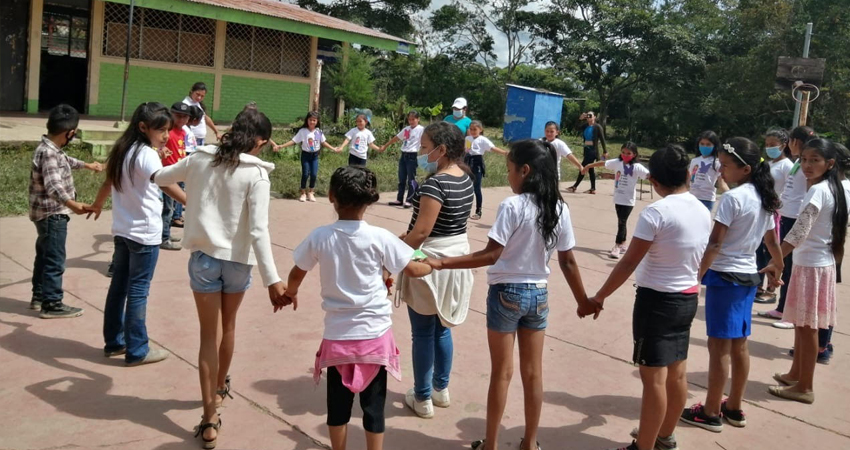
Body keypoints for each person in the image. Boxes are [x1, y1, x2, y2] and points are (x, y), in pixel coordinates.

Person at [427, 139, 590, 450]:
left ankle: (491, 445)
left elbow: (491, 255)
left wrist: (440, 262)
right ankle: (529, 443)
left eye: (510, 170)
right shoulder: (558, 208)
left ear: (525, 171)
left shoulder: (512, 206)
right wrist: (583, 300)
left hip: (506, 294)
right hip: (539, 296)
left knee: (501, 373)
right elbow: (567, 260)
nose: (510, 176)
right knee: (533, 374)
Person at [153, 107, 286, 449]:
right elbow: (258, 231)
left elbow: (159, 177)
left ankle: (209, 417)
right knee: (228, 327)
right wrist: (273, 280)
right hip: (238, 261)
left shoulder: (199, 158)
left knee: (206, 336)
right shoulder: (256, 174)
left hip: (204, 260)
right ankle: (220, 388)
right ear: (258, 141)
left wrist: (191, 200)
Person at [278, 166, 432, 450]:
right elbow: (411, 269)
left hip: (338, 337)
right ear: (370, 200)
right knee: (374, 407)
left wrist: (290, 293)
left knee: (337, 407)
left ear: (330, 196)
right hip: (375, 336)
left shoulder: (320, 236)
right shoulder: (381, 237)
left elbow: (297, 273)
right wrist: (434, 265)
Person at [588, 144, 712, 450]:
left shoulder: (656, 212)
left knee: (653, 380)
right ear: (687, 174)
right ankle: (664, 436)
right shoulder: (701, 207)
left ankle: (644, 446)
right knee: (677, 372)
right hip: (687, 298)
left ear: (653, 181)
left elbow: (628, 261)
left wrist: (599, 296)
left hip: (657, 302)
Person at [679, 138, 783, 433]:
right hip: (748, 277)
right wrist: (778, 266)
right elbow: (772, 241)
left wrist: (695, 276)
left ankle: (711, 411)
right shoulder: (764, 197)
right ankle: (734, 406)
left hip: (725, 278)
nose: (721, 170)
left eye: (725, 165)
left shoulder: (733, 200)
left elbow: (715, 242)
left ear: (746, 168)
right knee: (739, 344)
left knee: (719, 348)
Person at [87, 102, 186, 366]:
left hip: (123, 230)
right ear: (143, 127)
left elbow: (110, 182)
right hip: (144, 233)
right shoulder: (146, 154)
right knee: (138, 290)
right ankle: (137, 349)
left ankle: (114, 342)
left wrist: (98, 204)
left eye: (168, 130)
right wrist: (190, 201)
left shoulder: (123, 149)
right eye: (160, 130)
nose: (166, 135)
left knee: (119, 287)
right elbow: (164, 182)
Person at [398, 122, 474, 419]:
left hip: (430, 262)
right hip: (455, 259)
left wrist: (395, 250)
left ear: (442, 150)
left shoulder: (435, 184)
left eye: (426, 146)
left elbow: (421, 233)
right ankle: (440, 390)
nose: (421, 151)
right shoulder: (465, 177)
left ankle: (422, 397)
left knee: (423, 332)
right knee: (442, 328)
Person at [765, 138, 847, 404]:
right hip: (816, 263)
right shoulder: (836, 188)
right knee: (802, 324)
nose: (808, 165)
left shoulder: (819, 191)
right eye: (805, 159)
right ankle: (795, 374)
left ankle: (805, 387)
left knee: (808, 327)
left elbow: (799, 231)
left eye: (815, 160)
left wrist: (776, 259)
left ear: (830, 163)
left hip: (812, 264)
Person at [28, 104, 102, 317]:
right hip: (53, 214)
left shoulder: (49, 148)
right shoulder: (50, 154)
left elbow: (66, 160)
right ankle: (52, 304)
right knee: (55, 259)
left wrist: (88, 165)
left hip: (43, 214)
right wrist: (72, 204)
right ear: (70, 133)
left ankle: (39, 296)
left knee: (44, 255)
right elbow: (54, 186)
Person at [757, 126, 818, 329]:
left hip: (795, 217)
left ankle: (789, 313)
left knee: (790, 266)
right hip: (786, 215)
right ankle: (782, 308)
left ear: (795, 142)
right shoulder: (797, 163)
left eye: (791, 141)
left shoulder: (806, 164)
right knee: (785, 264)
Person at [581, 142, 649, 259]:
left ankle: (617, 246)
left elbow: (649, 175)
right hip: (618, 198)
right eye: (623, 152)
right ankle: (623, 244)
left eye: (628, 153)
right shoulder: (617, 163)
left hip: (628, 200)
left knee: (621, 222)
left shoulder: (637, 167)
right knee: (621, 221)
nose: (625, 155)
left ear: (634, 154)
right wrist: (588, 166)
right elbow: (603, 163)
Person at [754, 129, 794, 304]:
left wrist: (778, 205)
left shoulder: (788, 166)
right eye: (767, 145)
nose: (769, 148)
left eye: (773, 145)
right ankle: (759, 286)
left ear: (783, 145)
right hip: (764, 209)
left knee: (771, 249)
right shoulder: (769, 164)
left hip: (777, 213)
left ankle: (772, 289)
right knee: (760, 251)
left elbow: (790, 189)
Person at [274, 111, 337, 202]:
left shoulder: (318, 131)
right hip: (306, 155)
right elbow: (294, 141)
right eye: (310, 120)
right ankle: (303, 193)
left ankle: (311, 192)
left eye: (314, 120)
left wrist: (333, 148)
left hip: (315, 156)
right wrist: (281, 146)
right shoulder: (303, 131)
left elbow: (323, 142)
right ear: (307, 120)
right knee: (305, 174)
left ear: (317, 121)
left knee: (314, 174)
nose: (312, 122)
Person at [160, 102, 191, 251]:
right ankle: (164, 237)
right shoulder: (168, 131)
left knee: (173, 207)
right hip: (168, 174)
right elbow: (157, 144)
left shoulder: (183, 132)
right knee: (167, 208)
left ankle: (166, 232)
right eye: (178, 116)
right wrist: (161, 148)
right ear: (171, 115)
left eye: (185, 117)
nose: (182, 120)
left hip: (179, 173)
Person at [464, 120, 508, 220]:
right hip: (467, 162)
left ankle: (478, 211)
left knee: (477, 188)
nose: (473, 131)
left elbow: (492, 148)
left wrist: (505, 153)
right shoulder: (468, 138)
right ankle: (465, 210)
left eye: (475, 129)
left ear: (480, 129)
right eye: (471, 129)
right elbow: (466, 150)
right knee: (467, 187)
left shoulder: (483, 139)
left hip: (477, 163)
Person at [381, 110, 425, 208]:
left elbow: (425, 141)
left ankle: (410, 200)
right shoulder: (406, 129)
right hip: (404, 154)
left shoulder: (421, 129)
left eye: (413, 119)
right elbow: (396, 138)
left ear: (418, 119)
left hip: (412, 155)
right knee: (401, 179)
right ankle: (399, 199)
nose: (411, 121)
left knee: (411, 179)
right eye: (409, 119)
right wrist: (385, 145)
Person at [566, 111, 607, 194]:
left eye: (590, 115)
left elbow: (602, 139)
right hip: (587, 150)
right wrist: (580, 119)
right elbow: (576, 128)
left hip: (593, 151)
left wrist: (605, 151)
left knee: (583, 167)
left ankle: (575, 186)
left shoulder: (597, 127)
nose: (588, 117)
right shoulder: (585, 126)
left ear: (594, 117)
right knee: (590, 169)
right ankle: (593, 188)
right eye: (587, 115)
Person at [687, 130, 729, 210]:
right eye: (702, 144)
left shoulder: (717, 163)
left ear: (714, 146)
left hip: (707, 200)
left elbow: (722, 183)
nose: (704, 147)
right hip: (692, 197)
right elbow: (688, 179)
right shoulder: (694, 161)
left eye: (708, 144)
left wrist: (732, 196)